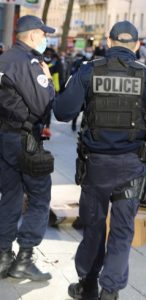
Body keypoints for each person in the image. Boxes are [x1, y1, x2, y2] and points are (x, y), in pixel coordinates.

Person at [53, 20, 146, 300]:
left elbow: (62, 112)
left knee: (94, 228)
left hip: (95, 167)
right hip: (131, 168)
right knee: (122, 231)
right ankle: (110, 292)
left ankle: (87, 284)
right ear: (135, 45)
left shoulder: (87, 71)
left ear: (109, 42)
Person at [0, 15, 55, 281]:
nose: (45, 39)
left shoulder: (3, 59)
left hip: (4, 137)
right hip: (24, 140)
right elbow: (42, 103)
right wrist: (50, 81)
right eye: (44, 34)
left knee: (10, 195)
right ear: (33, 35)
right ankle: (24, 258)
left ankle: (2, 257)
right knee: (40, 196)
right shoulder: (30, 63)